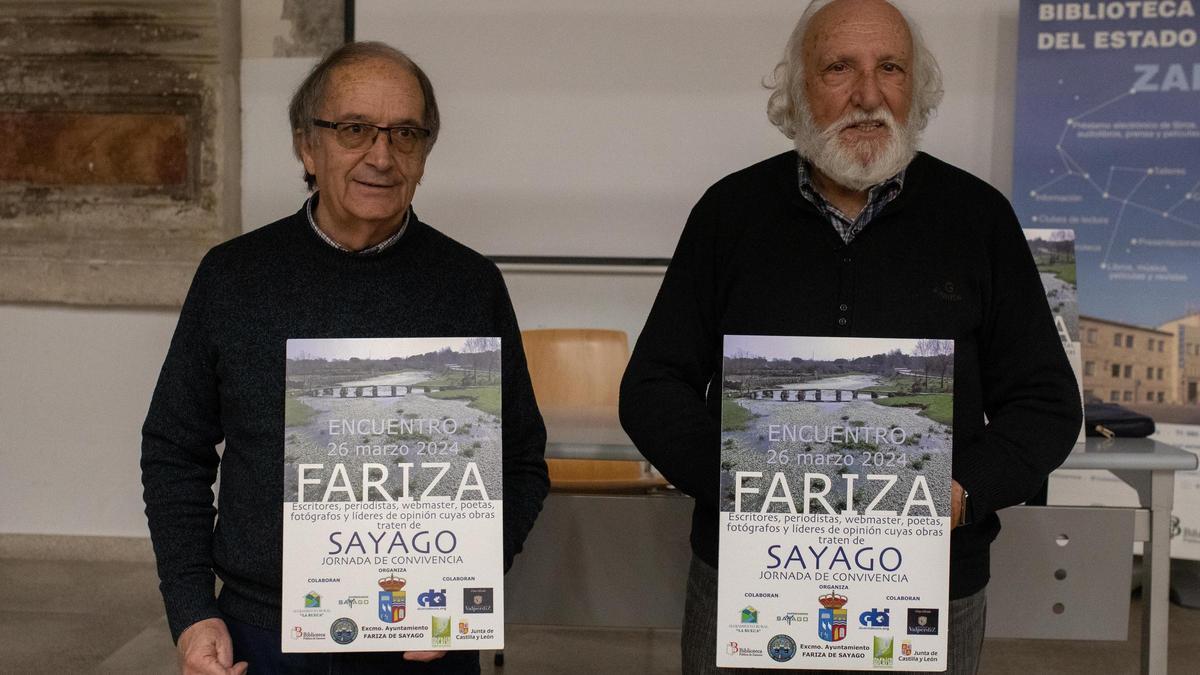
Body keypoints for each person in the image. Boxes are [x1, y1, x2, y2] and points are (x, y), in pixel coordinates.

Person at [619, 1, 1081, 673]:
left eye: (889, 68)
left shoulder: (978, 219)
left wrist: (961, 491)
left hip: (929, 583)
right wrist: (736, 482)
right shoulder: (729, 214)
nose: (868, 94)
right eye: (840, 67)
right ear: (799, 87)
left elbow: (1046, 404)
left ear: (913, 87)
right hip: (751, 577)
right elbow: (653, 386)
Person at [141, 41, 549, 675]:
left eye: (405, 133)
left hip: (426, 634)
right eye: (354, 129)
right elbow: (174, 448)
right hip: (264, 632)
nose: (381, 156)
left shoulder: (470, 285)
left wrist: (470, 579)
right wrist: (193, 609)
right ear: (309, 147)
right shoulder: (234, 278)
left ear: (424, 154)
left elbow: (521, 461)